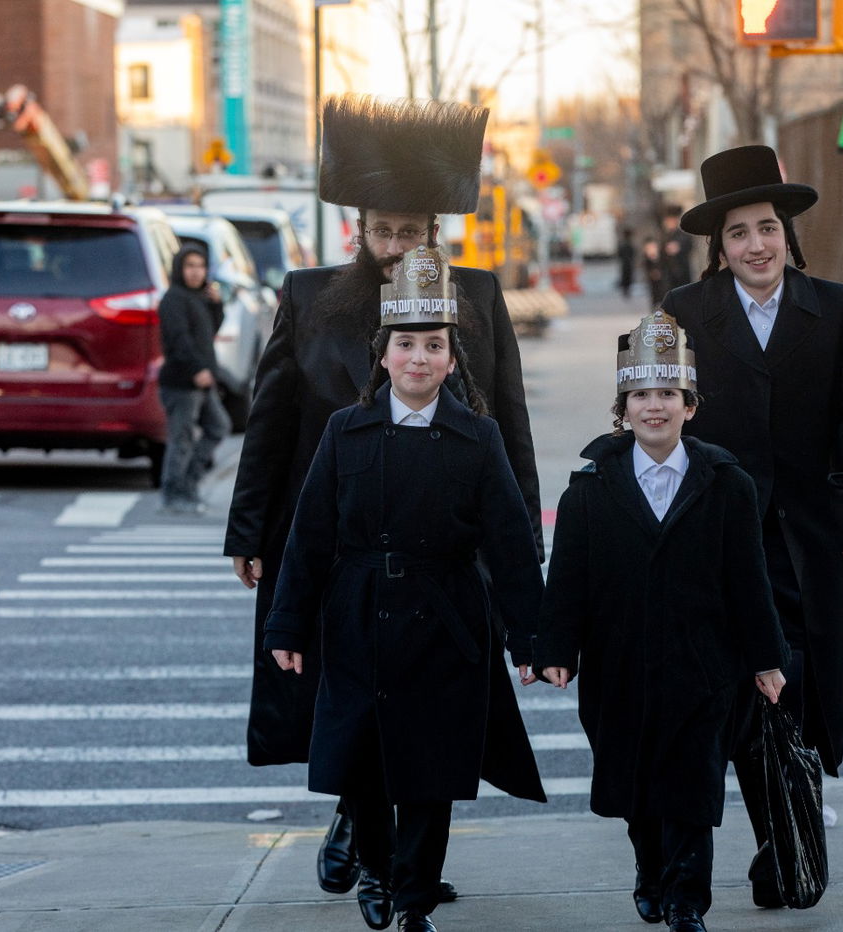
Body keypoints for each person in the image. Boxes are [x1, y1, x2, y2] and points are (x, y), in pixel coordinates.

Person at [222, 95, 543, 908]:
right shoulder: (309, 295)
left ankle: (400, 860)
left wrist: (523, 547)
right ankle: (367, 841)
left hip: (446, 548)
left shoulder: (478, 296)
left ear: (435, 234)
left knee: (431, 705)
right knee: (349, 699)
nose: (397, 246)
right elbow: (269, 423)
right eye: (384, 231)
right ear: (358, 231)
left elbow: (510, 422)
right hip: (338, 545)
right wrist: (250, 529)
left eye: (412, 231)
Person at [265, 244, 546, 932]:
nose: (419, 358)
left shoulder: (476, 438)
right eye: (406, 345)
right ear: (382, 354)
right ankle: (381, 870)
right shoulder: (345, 432)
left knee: (430, 772)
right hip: (358, 617)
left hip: (446, 622)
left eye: (433, 345)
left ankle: (414, 898)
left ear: (452, 359)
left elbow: (510, 544)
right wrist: (287, 627)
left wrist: (535, 638)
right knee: (360, 764)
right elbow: (309, 537)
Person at [659, 145, 843, 897]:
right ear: (718, 246)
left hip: (808, 542)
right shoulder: (682, 314)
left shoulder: (834, 310)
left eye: (767, 228)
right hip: (716, 540)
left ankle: (792, 849)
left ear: (786, 234)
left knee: (796, 687)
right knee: (739, 689)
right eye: (738, 233)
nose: (756, 245)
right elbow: (650, 415)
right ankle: (787, 845)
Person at [538, 311, 788, 932]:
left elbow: (748, 580)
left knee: (691, 784)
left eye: (668, 395)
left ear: (690, 406)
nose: (655, 407)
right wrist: (557, 650)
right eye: (642, 395)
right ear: (623, 407)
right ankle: (649, 869)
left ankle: (685, 899)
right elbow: (567, 580)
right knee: (634, 784)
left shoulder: (727, 484)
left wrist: (766, 658)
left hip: (703, 666)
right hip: (618, 667)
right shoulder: (589, 489)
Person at [156, 244, 229, 514]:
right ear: (179, 269)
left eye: (200, 266)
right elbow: (179, 341)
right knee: (181, 440)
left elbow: (210, 330)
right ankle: (174, 494)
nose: (196, 272)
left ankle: (188, 485)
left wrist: (216, 304)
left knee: (218, 427)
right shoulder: (173, 299)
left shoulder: (197, 297)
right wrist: (196, 369)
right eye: (190, 266)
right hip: (182, 383)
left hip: (203, 380)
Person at [658, 204, 694, 298]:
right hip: (668, 275)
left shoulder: (683, 235)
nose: (669, 223)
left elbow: (688, 246)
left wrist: (678, 247)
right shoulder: (664, 236)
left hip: (682, 273)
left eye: (671, 220)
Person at [617, 226, 636, 299]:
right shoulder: (628, 243)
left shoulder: (622, 243)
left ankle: (626, 290)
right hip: (628, 262)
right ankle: (627, 290)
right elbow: (633, 253)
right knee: (627, 276)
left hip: (624, 262)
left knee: (626, 276)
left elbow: (619, 253)